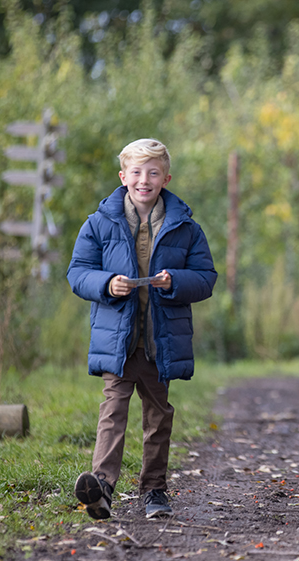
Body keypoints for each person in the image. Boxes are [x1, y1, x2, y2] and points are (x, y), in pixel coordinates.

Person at [67, 138, 217, 520]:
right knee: (113, 410)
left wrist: (175, 282)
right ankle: (101, 487)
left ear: (166, 178)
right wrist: (106, 284)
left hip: (159, 341)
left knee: (158, 416)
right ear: (123, 177)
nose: (144, 180)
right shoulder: (99, 223)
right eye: (136, 172)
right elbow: (78, 273)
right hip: (119, 340)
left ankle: (154, 490)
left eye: (152, 173)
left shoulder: (185, 227)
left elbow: (205, 278)